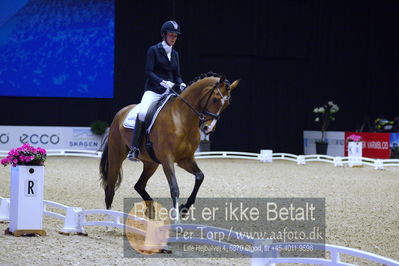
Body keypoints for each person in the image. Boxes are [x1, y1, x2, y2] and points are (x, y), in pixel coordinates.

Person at [128, 20, 186, 161]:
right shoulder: (153, 50)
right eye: (171, 35)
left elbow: (176, 75)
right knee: (142, 113)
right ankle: (134, 149)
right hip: (153, 91)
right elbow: (148, 71)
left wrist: (181, 83)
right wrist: (162, 81)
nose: (173, 38)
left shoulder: (175, 54)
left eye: (175, 36)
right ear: (164, 35)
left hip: (169, 92)